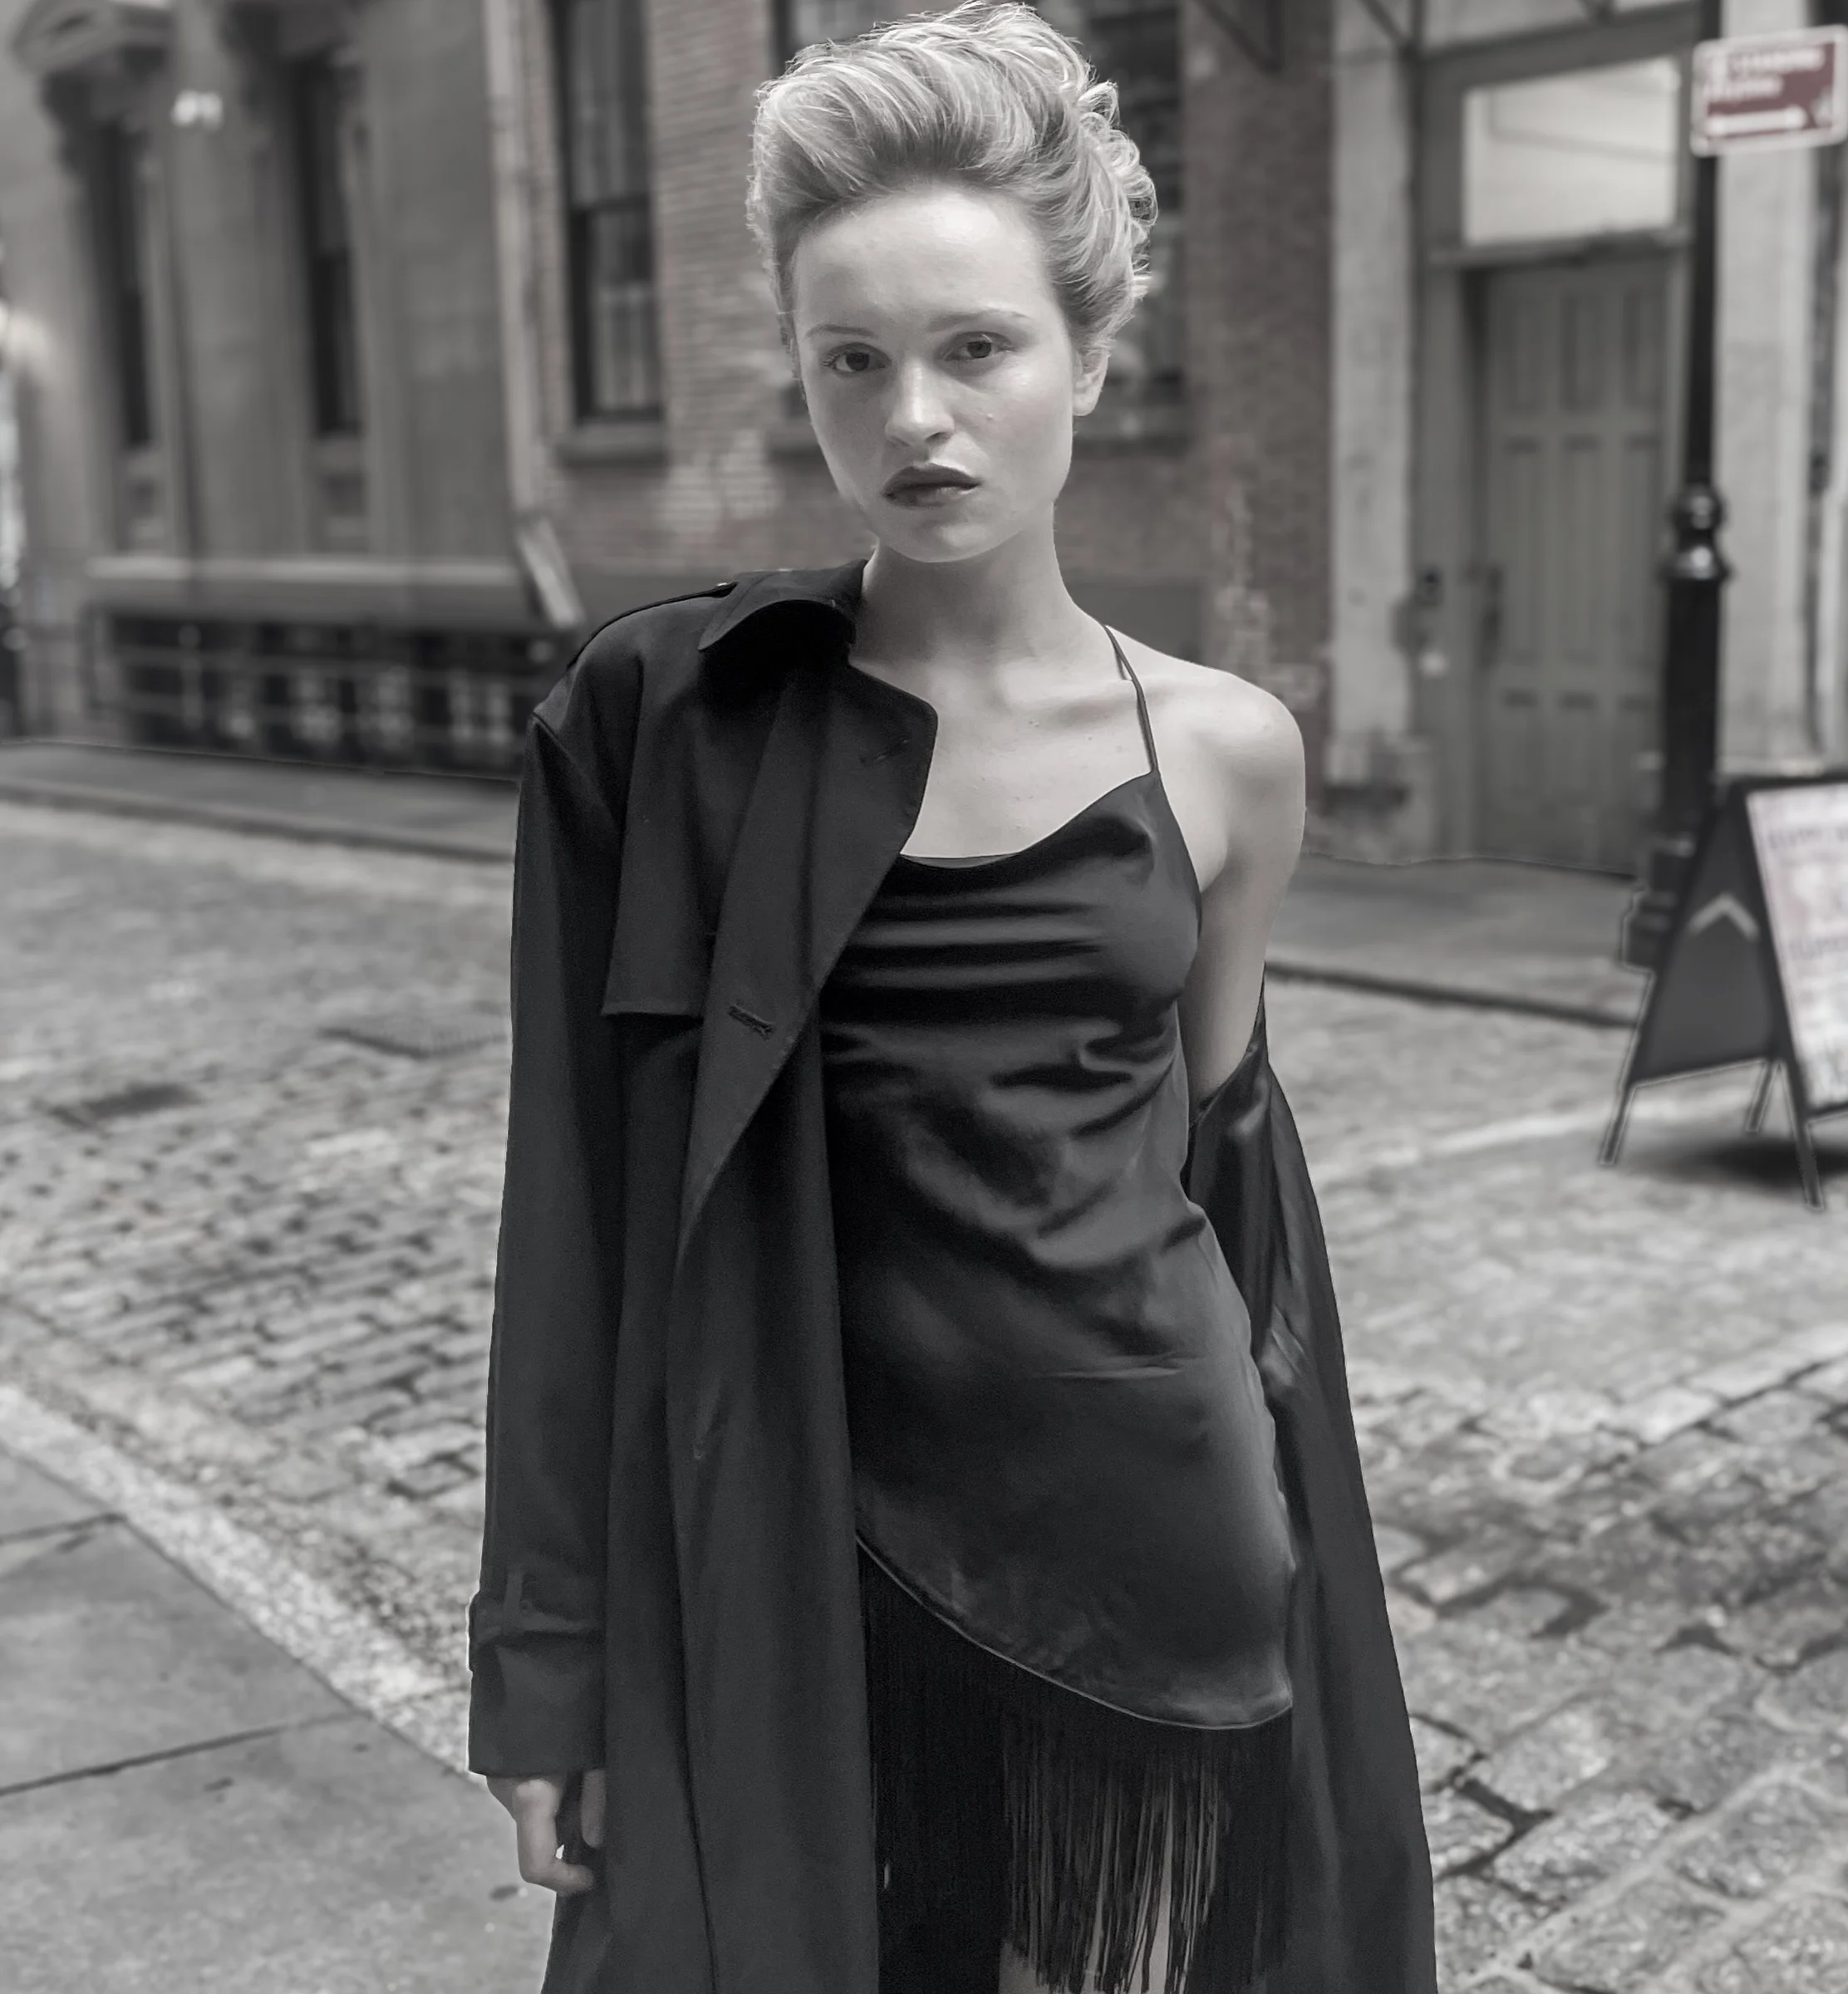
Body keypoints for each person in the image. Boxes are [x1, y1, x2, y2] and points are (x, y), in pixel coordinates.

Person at [468, 8, 1433, 1993]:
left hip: (1154, 1542)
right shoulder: (664, 731)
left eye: (974, 348)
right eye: (854, 360)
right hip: (813, 1566)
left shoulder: (1230, 752)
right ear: (804, 380)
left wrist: (1300, 1571)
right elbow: (563, 1231)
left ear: (1088, 356)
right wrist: (546, 1673)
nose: (914, 416)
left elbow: (1228, 1191)